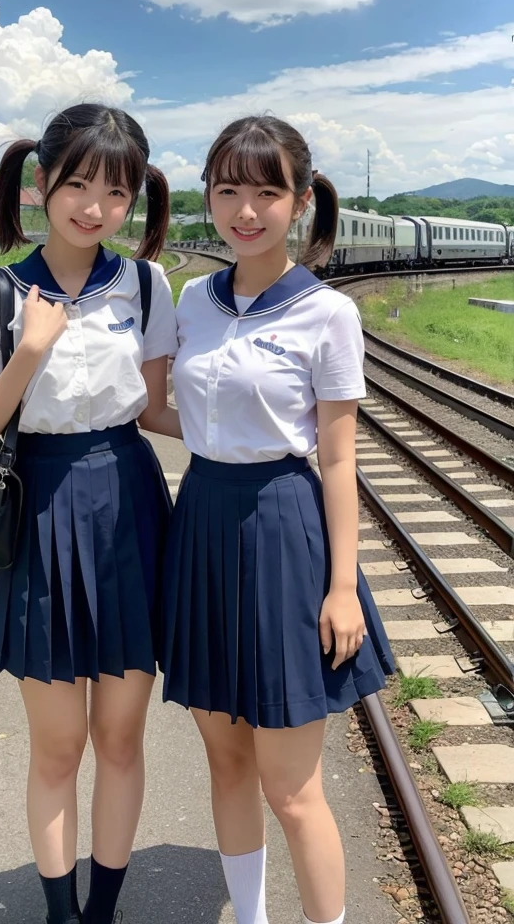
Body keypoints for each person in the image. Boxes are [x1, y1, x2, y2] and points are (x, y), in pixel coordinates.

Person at [0, 103, 180, 924]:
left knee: (120, 738)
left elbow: (154, 411)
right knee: (59, 744)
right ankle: (60, 913)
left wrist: (274, 437)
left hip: (128, 500)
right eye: (77, 184)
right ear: (42, 184)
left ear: (135, 200)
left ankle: (104, 909)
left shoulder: (147, 285)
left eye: (116, 192)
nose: (95, 206)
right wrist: (32, 349)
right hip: (37, 509)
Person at [160, 115, 395, 924]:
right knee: (225, 764)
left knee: (292, 789)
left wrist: (341, 588)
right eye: (229, 190)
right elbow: (177, 414)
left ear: (299, 201)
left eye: (267, 192)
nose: (245, 211)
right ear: (209, 198)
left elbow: (337, 458)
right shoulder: (193, 299)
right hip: (203, 525)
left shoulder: (328, 314)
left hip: (283, 529)